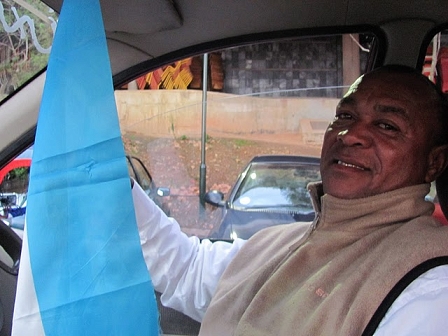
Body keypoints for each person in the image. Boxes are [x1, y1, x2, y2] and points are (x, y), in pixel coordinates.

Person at [131, 64, 448, 335]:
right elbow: (188, 270)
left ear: (434, 162)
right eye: (345, 115)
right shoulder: (277, 243)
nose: (349, 134)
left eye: (386, 125)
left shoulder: (432, 285)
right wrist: (116, 187)